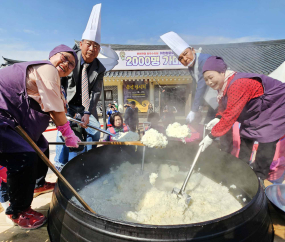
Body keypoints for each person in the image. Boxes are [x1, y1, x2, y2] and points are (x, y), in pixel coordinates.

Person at [0, 44, 80, 229]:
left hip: (15, 122)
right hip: (3, 119)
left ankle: (37, 184)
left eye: (71, 64)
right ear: (52, 56)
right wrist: (68, 134)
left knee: (41, 146)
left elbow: (55, 108)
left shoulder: (53, 81)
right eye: (64, 58)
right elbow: (55, 110)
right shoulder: (47, 69)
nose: (66, 64)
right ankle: (18, 211)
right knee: (24, 157)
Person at [199, 56, 285, 181]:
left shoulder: (238, 84)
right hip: (255, 112)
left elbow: (230, 116)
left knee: (267, 138)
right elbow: (224, 106)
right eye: (206, 80)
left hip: (275, 108)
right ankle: (241, 171)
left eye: (211, 77)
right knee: (246, 134)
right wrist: (218, 118)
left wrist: (211, 136)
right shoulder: (224, 86)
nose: (209, 82)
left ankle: (258, 178)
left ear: (222, 72)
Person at [160, 31, 232, 153]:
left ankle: (225, 157)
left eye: (185, 54)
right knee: (209, 128)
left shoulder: (205, 60)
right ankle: (213, 155)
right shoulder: (191, 67)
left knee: (223, 131)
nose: (185, 59)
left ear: (193, 50)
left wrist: (194, 109)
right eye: (181, 58)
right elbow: (196, 87)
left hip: (227, 100)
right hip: (215, 103)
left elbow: (202, 85)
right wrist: (197, 107)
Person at [55, 4, 106, 170]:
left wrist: (86, 112)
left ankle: (88, 163)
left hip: (84, 107)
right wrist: (60, 104)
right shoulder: (71, 58)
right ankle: (60, 165)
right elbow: (59, 79)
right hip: (65, 104)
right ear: (82, 43)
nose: (92, 49)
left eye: (96, 46)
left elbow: (96, 92)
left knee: (95, 131)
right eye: (89, 44)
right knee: (64, 134)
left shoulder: (100, 68)